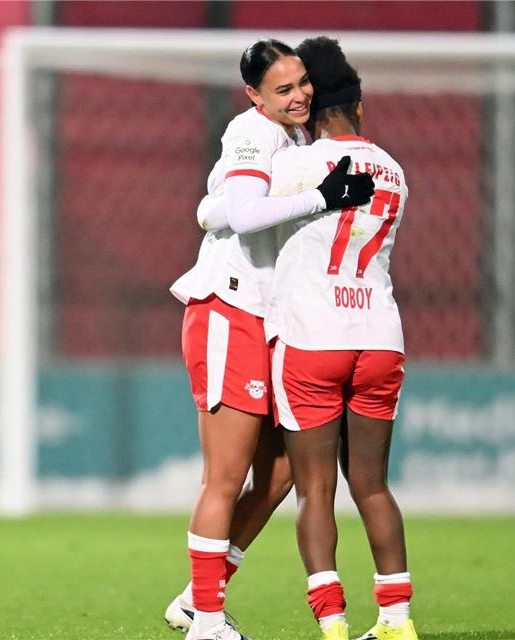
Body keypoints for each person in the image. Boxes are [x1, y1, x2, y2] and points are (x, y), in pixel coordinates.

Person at [168, 38, 375, 640]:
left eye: (303, 83)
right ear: (255, 95)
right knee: (225, 476)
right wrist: (322, 198)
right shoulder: (253, 132)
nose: (300, 95)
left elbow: (223, 209)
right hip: (229, 311)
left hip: (269, 318)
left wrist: (215, 208)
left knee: (283, 470)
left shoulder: (294, 140)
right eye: (283, 89)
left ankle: (195, 597)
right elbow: (247, 211)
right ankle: (206, 622)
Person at [265, 37, 419, 640]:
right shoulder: (395, 170)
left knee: (316, 491)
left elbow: (242, 214)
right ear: (360, 106)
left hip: (313, 336)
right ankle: (397, 621)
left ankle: (332, 626)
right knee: (373, 484)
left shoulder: (295, 166)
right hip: (379, 336)